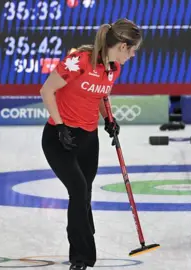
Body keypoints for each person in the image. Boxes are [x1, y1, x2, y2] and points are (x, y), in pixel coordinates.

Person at [40, 18, 142, 270]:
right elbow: (46, 91)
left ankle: (84, 235)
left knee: (85, 193)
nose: (132, 55)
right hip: (59, 138)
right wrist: (61, 125)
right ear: (121, 45)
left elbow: (99, 95)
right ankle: (81, 257)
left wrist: (109, 118)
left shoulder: (113, 69)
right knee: (78, 190)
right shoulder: (79, 61)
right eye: (132, 50)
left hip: (88, 138)